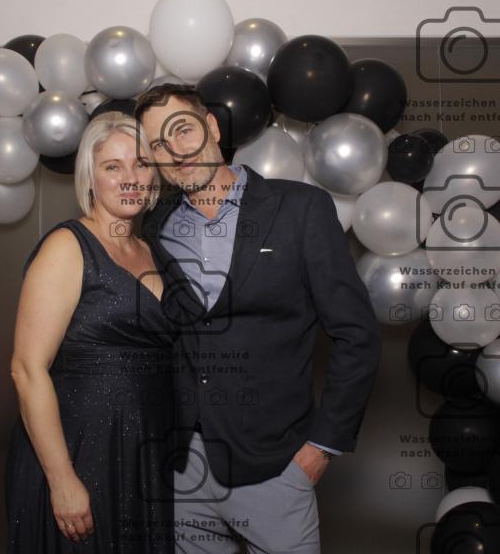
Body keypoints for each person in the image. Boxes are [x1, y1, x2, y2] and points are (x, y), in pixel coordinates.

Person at [134, 84, 383, 553]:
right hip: (184, 470)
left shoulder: (299, 209)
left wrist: (320, 449)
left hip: (276, 467)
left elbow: (357, 335)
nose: (176, 151)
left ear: (211, 127)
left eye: (182, 130)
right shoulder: (154, 226)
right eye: (159, 145)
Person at [4, 111, 176, 553]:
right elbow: (27, 370)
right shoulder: (67, 246)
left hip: (147, 452)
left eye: (140, 163)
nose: (130, 178)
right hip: (81, 452)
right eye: (112, 167)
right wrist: (61, 479)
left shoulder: (154, 251)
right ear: (90, 178)